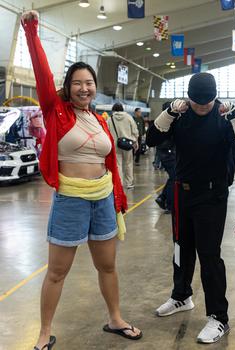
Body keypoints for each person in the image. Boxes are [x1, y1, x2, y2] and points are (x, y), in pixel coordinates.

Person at [21, 10, 142, 350]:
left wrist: (118, 200)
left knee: (108, 266)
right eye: (77, 83)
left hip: (102, 198)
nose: (84, 88)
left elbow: (111, 166)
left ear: (94, 88)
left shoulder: (101, 120)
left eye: (89, 83)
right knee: (57, 272)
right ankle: (44, 332)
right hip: (70, 199)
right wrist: (32, 31)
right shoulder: (55, 111)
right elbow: (43, 75)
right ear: (68, 88)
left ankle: (115, 318)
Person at [146, 72, 235, 344]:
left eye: (206, 102)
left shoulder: (224, 117)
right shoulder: (181, 114)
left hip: (212, 196)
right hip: (182, 192)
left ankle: (219, 318)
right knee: (181, 248)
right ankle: (181, 296)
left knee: (209, 257)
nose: (201, 107)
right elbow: (151, 140)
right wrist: (170, 112)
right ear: (189, 97)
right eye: (196, 102)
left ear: (215, 97)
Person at [107, 103, 139, 189]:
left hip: (115, 145)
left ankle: (119, 183)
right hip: (128, 144)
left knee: (118, 165)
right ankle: (129, 184)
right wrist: (135, 142)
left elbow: (107, 132)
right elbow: (135, 131)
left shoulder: (110, 119)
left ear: (113, 109)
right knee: (128, 164)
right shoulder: (129, 117)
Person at [154, 102, 176, 214]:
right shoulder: (166, 121)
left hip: (165, 153)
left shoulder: (161, 120)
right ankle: (169, 203)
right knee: (175, 178)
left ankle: (162, 198)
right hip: (168, 154)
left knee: (173, 177)